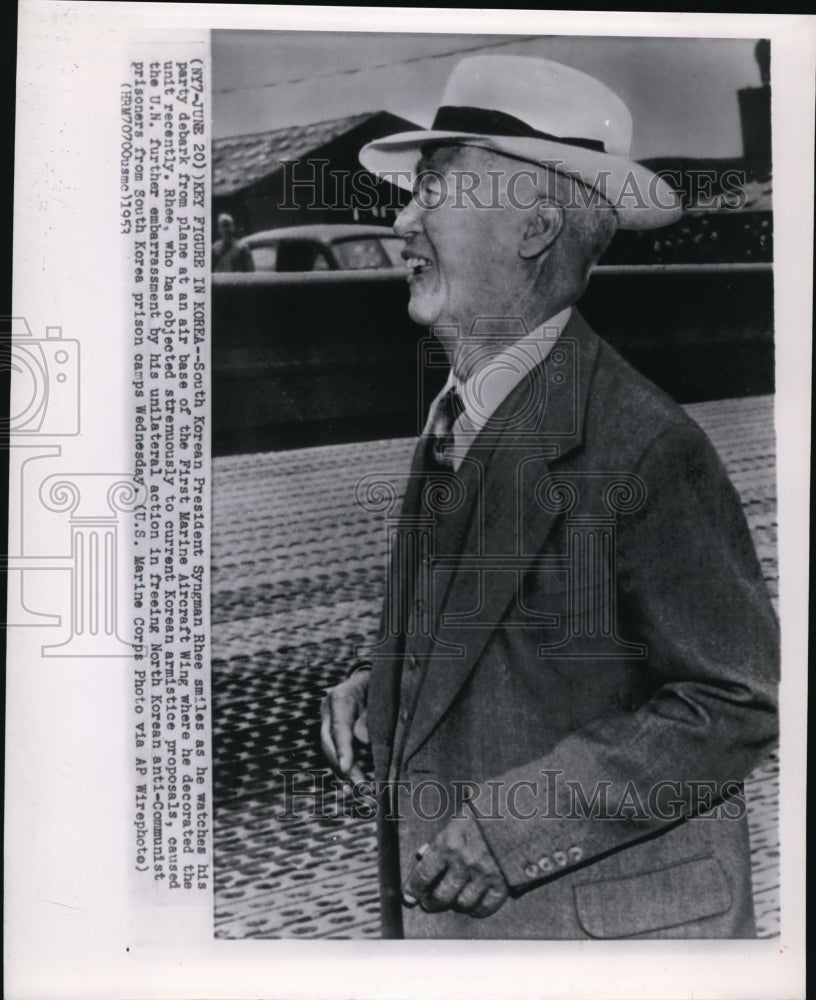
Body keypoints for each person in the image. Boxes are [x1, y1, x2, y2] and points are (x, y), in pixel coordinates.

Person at [320, 55, 778, 940]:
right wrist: (388, 688)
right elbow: (514, 645)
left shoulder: (647, 445)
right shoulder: (468, 407)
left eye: (433, 192)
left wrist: (512, 828)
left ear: (532, 229)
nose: (402, 218)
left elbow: (739, 698)